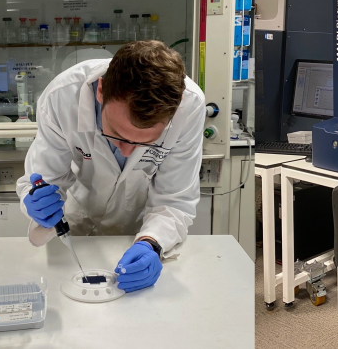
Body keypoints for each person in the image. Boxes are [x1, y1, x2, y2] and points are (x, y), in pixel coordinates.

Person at [16, 40, 205, 293]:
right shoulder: (62, 96)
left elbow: (175, 199)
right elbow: (42, 180)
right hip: (76, 223)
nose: (126, 151)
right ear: (101, 90)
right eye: (117, 133)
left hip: (141, 230)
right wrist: (36, 201)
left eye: (147, 143)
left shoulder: (189, 107)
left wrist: (152, 242)